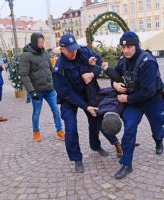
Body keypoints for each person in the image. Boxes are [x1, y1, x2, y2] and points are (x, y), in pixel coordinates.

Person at [52, 33, 121, 173]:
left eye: (75, 48)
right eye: (70, 50)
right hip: (69, 99)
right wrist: (85, 106)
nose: (74, 52)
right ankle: (77, 159)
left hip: (88, 92)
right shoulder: (59, 69)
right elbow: (66, 93)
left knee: (97, 119)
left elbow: (99, 62)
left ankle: (96, 146)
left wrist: (92, 73)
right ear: (61, 49)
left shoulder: (83, 51)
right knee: (71, 128)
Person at [104, 31, 164, 179]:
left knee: (157, 127)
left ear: (136, 46)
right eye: (123, 47)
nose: (125, 50)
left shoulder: (148, 61)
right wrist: (114, 84)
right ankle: (126, 164)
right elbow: (117, 75)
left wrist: (127, 99)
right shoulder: (123, 60)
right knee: (130, 128)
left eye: (129, 47)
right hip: (134, 102)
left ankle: (158, 141)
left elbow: (148, 91)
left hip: (152, 100)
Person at [19, 33, 65, 142]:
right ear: (34, 41)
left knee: (56, 110)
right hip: (37, 91)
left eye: (42, 42)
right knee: (36, 112)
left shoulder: (45, 53)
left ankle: (59, 131)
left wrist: (55, 83)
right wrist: (31, 91)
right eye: (39, 42)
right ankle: (36, 132)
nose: (41, 44)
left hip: (50, 89)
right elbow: (24, 75)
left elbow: (50, 69)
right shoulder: (26, 55)